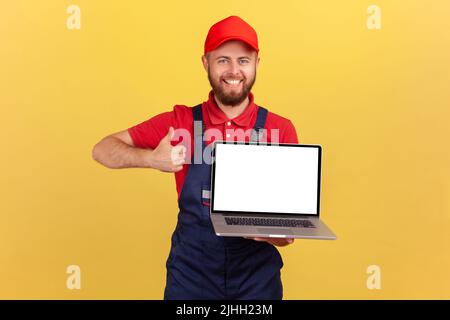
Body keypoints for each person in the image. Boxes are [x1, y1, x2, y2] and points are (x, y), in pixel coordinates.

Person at [92, 15, 299, 299]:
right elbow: (102, 149)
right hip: (192, 277)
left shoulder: (280, 129)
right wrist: (151, 159)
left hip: (256, 281)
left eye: (243, 60)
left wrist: (273, 233)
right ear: (206, 63)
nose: (234, 70)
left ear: (257, 64)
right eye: (223, 60)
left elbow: (287, 235)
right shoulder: (181, 121)